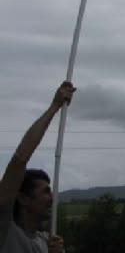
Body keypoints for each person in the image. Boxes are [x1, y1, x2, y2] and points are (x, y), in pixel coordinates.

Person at [0, 81, 76, 253]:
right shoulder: (5, 230)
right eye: (45, 191)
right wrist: (55, 106)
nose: (52, 198)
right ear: (24, 199)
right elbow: (20, 159)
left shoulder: (48, 243)